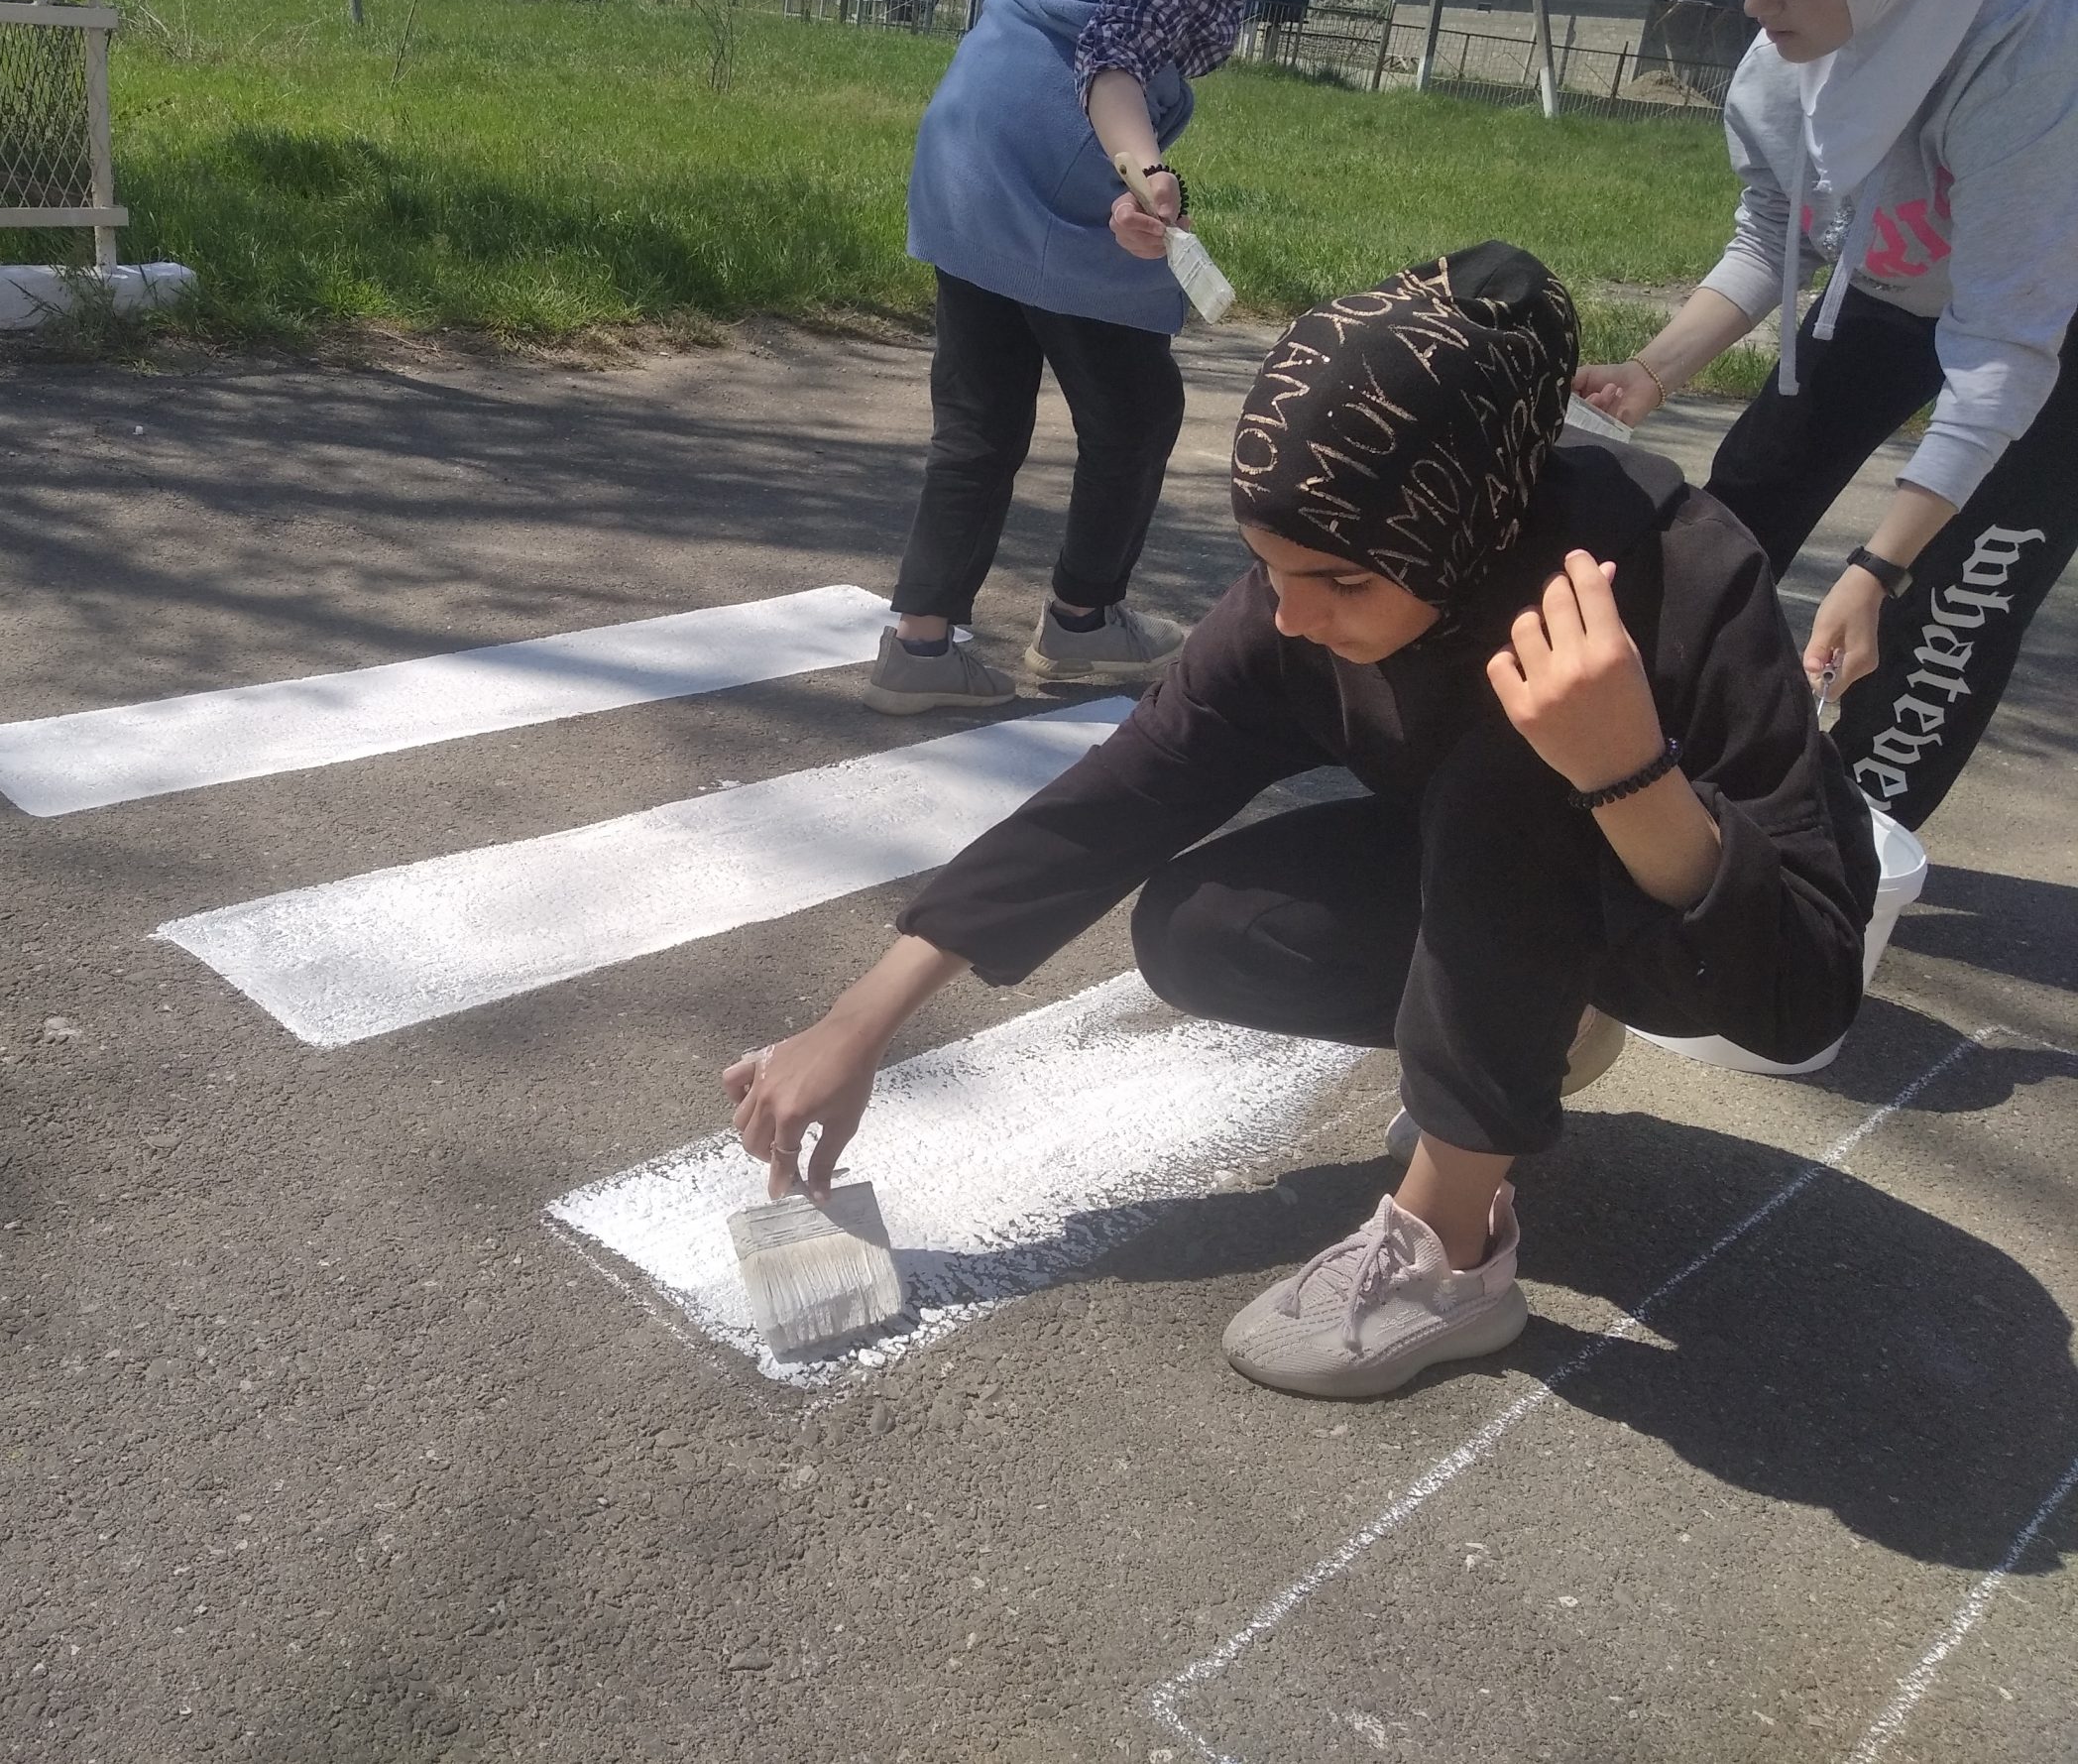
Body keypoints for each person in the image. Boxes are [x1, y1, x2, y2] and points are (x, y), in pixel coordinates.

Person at [732, 246, 1879, 1399]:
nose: (1290, 614)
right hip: (1516, 880)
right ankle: (1546, 1031)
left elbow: (1801, 994)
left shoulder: (1682, 578)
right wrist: (857, 1024)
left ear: (1454, 524)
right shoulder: (1331, 564)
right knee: (1206, 928)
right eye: (1268, 565)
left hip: (1703, 926)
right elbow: (1131, 785)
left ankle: (1451, 1257)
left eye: (1337, 581)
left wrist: (1628, 772)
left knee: (1512, 768)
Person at [1574, 0, 2078, 831]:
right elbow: (1779, 229)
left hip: (2051, 318)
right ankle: (1669, 761)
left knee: (1955, 598)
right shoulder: (1788, 53)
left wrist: (1876, 570)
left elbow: (2005, 343)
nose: (1757, 1)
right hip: (1893, 290)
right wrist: (1649, 372)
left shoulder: (2034, 42)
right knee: (1744, 494)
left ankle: (1848, 849)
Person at [865, 0, 1347, 715]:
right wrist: (1146, 171)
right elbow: (1114, 53)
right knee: (1136, 408)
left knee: (980, 422)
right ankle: (1081, 621)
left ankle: (920, 645)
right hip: (1062, 162)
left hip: (975, 132)